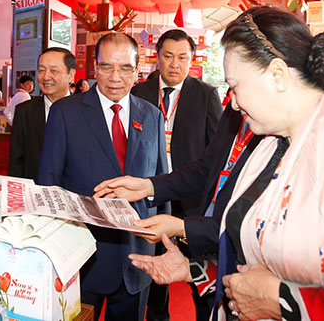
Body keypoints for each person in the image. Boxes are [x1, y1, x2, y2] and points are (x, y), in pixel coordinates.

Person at [127, 6, 324, 320]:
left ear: (277, 75)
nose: (232, 103)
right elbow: (259, 261)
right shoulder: (269, 148)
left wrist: (285, 302)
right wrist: (195, 269)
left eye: (235, 86)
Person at [38, 32, 168, 321]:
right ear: (95, 67)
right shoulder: (65, 113)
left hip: (137, 259)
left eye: (125, 68)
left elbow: (161, 184)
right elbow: (49, 187)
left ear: (137, 71)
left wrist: (163, 248)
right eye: (107, 67)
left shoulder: (152, 116)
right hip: (82, 258)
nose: (115, 77)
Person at [94, 101, 263, 318]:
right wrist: (148, 186)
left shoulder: (285, 141)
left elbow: (254, 224)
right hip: (209, 255)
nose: (234, 102)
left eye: (238, 86)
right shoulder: (236, 109)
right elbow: (205, 169)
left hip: (246, 266)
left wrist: (181, 227)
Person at [130, 28, 222, 320]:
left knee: (198, 275)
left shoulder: (206, 95)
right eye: (168, 56)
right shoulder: (139, 92)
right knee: (154, 272)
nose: (174, 64)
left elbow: (216, 152)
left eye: (182, 58)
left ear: (191, 60)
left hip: (192, 200)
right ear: (157, 57)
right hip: (152, 197)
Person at [9, 48, 76, 181]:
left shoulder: (86, 112)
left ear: (71, 75)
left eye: (54, 70)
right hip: (34, 189)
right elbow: (16, 161)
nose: (46, 77)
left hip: (74, 191)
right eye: (41, 70)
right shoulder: (24, 111)